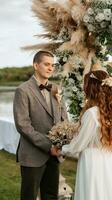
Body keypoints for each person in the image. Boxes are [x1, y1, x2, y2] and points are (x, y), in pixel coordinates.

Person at [61, 69, 112, 200]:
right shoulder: (111, 112)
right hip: (107, 159)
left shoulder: (92, 114)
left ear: (92, 87)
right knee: (106, 193)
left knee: (93, 193)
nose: (84, 88)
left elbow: (79, 145)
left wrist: (61, 149)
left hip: (92, 162)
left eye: (86, 84)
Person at [13, 50, 67, 200]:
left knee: (51, 196)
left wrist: (62, 144)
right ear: (36, 65)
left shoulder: (57, 89)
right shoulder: (22, 90)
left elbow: (64, 119)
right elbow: (23, 125)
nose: (51, 68)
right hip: (33, 154)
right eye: (46, 64)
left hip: (55, 155)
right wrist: (48, 146)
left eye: (53, 65)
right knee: (28, 196)